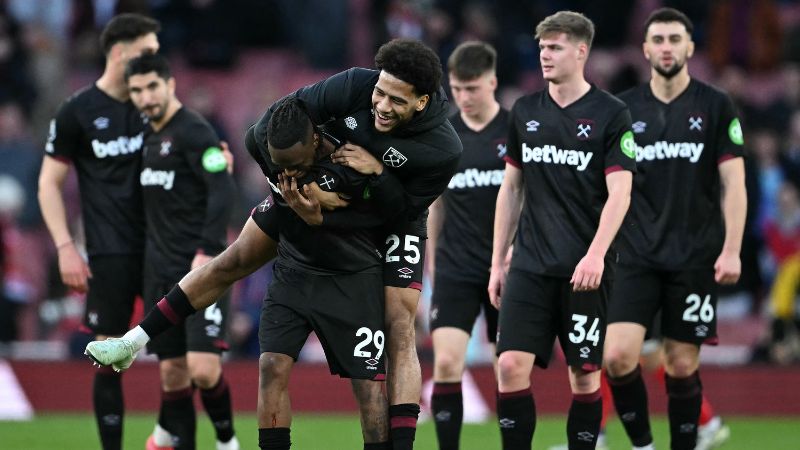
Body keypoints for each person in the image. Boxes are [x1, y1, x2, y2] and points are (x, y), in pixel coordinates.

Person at [87, 97, 392, 450]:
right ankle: (133, 340)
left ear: (314, 143)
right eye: (279, 167)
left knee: (369, 388)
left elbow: (393, 204)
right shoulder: (268, 152)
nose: (287, 173)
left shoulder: (351, 159)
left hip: (352, 277)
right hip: (294, 267)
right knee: (256, 333)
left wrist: (361, 190)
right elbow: (254, 149)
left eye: (294, 164)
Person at [247, 38, 462, 450]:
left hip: (397, 215)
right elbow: (268, 128)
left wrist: (377, 174)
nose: (380, 105)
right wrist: (291, 194)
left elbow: (399, 214)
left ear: (421, 102)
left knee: (399, 323)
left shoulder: (443, 148)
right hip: (333, 198)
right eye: (379, 92)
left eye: (396, 100)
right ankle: (141, 336)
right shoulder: (352, 85)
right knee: (234, 260)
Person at [488, 11, 636, 450]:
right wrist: (498, 261)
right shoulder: (525, 111)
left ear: (581, 51)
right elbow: (511, 188)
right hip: (530, 264)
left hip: (585, 271)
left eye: (555, 47)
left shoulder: (612, 114)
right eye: (542, 47)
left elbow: (621, 194)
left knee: (584, 375)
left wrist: (595, 255)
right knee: (511, 364)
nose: (545, 55)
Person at [603, 7, 746, 450]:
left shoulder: (716, 104)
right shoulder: (624, 109)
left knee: (682, 364)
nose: (666, 47)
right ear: (646, 49)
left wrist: (732, 249)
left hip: (694, 256)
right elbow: (609, 187)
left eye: (674, 39)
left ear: (689, 47)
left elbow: (734, 183)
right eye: (658, 40)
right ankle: (644, 445)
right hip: (637, 256)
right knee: (616, 356)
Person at [37, 14, 160, 450]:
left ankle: (171, 440)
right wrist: (66, 248)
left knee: (183, 360)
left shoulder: (155, 105)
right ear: (120, 52)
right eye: (147, 53)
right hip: (108, 255)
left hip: (162, 249)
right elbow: (48, 183)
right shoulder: (77, 112)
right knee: (107, 359)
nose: (154, 63)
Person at [125, 53, 239, 450]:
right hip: (158, 271)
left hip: (200, 270)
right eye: (137, 90)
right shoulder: (146, 137)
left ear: (170, 84)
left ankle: (227, 441)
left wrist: (208, 250)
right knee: (173, 376)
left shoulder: (194, 131)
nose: (145, 96)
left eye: (152, 86)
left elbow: (221, 185)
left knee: (203, 371)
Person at [425, 40, 507, 450]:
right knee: (445, 363)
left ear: (492, 82)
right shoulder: (444, 137)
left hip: (505, 269)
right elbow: (435, 205)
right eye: (457, 89)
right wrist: (432, 262)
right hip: (455, 267)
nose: (464, 98)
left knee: (509, 369)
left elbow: (527, 202)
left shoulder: (514, 131)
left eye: (472, 88)